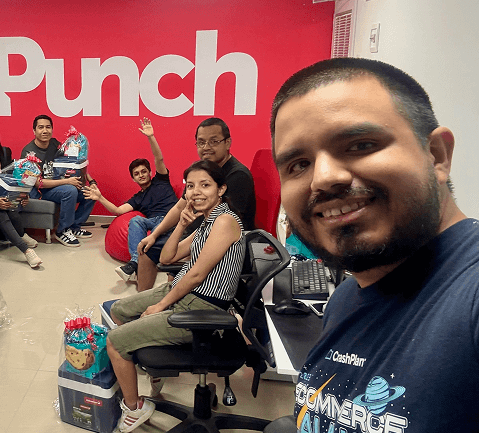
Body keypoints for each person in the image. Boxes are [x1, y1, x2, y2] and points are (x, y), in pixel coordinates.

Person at [269, 58, 478, 432]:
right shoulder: (347, 297)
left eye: (360, 144)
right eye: (298, 164)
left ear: (437, 155)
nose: (325, 179)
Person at [105, 160, 245, 432]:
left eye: (205, 185)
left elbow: (195, 276)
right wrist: (181, 224)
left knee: (114, 341)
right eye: (191, 186)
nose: (196, 192)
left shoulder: (225, 221)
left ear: (221, 188)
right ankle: (155, 369)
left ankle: (134, 410)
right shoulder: (208, 221)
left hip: (202, 306)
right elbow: (167, 257)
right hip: (180, 292)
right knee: (119, 310)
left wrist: (159, 306)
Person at [136, 117, 256, 291]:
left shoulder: (238, 176)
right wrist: (155, 234)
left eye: (213, 141)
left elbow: (220, 227)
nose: (206, 147)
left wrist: (187, 249)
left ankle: (167, 298)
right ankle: (145, 297)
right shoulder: (203, 170)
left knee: (172, 259)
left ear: (227, 142)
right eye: (201, 142)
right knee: (146, 248)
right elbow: (179, 207)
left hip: (217, 240)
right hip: (194, 231)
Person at [82, 118, 177, 282]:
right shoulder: (138, 198)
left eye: (143, 171)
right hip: (153, 221)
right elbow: (118, 211)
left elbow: (158, 158)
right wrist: (99, 197)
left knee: (155, 233)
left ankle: (135, 265)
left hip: (171, 219)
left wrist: (150, 137)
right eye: (137, 174)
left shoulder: (161, 180)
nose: (141, 175)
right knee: (136, 221)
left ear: (149, 172)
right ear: (133, 179)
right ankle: (136, 263)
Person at [20, 115, 95, 247]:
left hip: (57, 186)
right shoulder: (28, 151)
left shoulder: (55, 144)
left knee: (91, 193)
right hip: (40, 192)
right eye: (41, 127)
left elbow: (73, 164)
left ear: (52, 129)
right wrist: (67, 182)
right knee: (70, 190)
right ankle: (62, 231)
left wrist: (91, 181)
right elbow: (38, 183)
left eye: (48, 127)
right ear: (34, 131)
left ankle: (74, 227)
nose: (45, 131)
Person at [0, 125, 42, 268]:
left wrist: (23, 196)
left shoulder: (3, 155)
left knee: (11, 207)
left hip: (3, 196)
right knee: (1, 214)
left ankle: (21, 235)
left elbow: (14, 178)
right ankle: (27, 251)